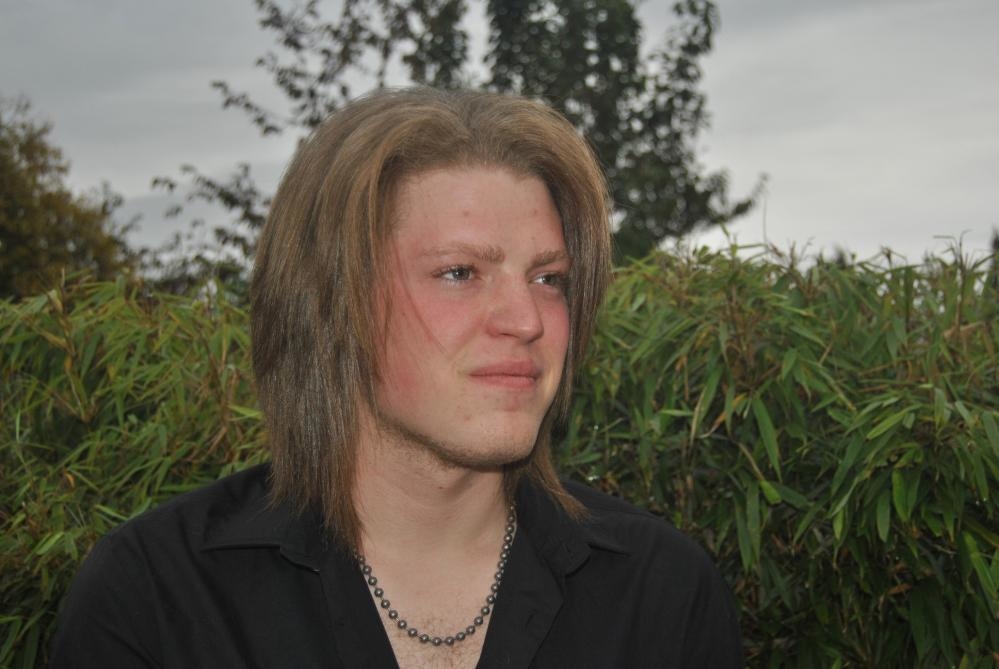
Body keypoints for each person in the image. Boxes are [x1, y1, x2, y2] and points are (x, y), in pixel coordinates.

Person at [51, 87, 743, 668]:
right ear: (331, 302)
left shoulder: (660, 595)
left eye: (548, 278)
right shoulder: (159, 599)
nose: (526, 320)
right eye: (460, 272)